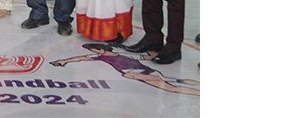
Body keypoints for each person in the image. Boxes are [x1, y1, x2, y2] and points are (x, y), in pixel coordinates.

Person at [50, 44, 199, 96]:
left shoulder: (123, 54)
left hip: (144, 73)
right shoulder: (100, 57)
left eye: (95, 49)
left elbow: (146, 57)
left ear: (100, 49)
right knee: (172, 87)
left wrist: (154, 52)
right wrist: (64, 61)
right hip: (138, 74)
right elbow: (81, 58)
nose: (95, 52)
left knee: (170, 86)